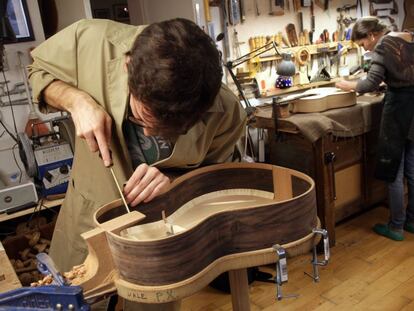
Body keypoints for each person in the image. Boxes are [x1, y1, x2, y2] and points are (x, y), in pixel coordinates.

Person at [28, 17, 246, 276]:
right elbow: (38, 72)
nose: (148, 132)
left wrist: (175, 182)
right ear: (128, 67)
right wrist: (77, 102)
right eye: (141, 117)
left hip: (161, 240)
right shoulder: (91, 40)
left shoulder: (227, 112)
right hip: (89, 221)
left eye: (169, 130)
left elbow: (218, 181)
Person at [336, 16, 414, 241]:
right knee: (412, 168)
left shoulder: (382, 46)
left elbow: (369, 84)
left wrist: (346, 84)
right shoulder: (408, 37)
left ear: (371, 35)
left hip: (399, 110)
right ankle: (411, 221)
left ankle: (396, 226)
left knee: (394, 172)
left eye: (363, 44)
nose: (365, 49)